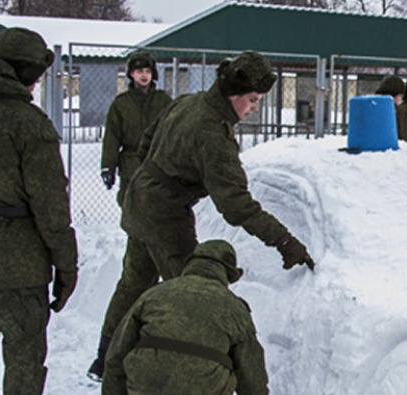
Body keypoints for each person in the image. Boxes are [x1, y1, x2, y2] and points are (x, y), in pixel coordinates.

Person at [87, 51, 315, 381]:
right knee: (192, 294)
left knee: (134, 283)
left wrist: (160, 171)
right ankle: (190, 372)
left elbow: (148, 137)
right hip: (164, 214)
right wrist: (284, 240)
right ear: (233, 95)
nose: (254, 108)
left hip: (139, 198)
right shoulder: (212, 133)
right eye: (252, 100)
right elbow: (236, 205)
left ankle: (104, 357)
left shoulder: (188, 102)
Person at [0, 27, 78, 394]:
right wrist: (66, 265)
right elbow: (51, 207)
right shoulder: (29, 124)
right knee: (25, 362)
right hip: (20, 267)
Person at [102, 240, 269, 395]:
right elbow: (251, 373)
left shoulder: (155, 294)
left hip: (145, 386)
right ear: (228, 274)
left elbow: (117, 354)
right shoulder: (235, 308)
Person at [100, 50, 172, 205]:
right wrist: (108, 167)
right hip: (130, 167)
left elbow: (174, 132)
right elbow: (112, 138)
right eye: (139, 71)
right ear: (131, 74)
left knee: (159, 211)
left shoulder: (164, 101)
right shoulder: (121, 104)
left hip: (158, 165)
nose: (144, 75)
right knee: (131, 209)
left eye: (148, 71)